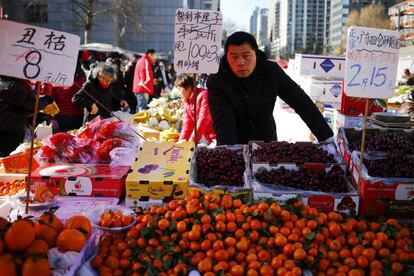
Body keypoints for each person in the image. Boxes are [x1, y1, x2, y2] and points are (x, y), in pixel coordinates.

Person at [207, 31, 333, 145]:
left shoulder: (270, 71)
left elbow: (301, 101)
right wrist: (228, 154)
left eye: (246, 56)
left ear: (255, 53)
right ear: (226, 56)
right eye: (234, 57)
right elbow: (223, 121)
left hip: (267, 144)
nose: (240, 62)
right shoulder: (217, 79)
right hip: (235, 144)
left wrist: (326, 137)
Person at [0, 76, 54, 156]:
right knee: (10, 158)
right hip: (11, 129)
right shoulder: (12, 86)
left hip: (6, 126)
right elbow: (31, 104)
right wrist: (46, 99)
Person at [43, 61, 86, 132]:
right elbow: (51, 100)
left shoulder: (79, 78)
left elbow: (83, 97)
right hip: (61, 118)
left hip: (77, 117)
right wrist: (52, 119)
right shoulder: (54, 80)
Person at [175, 74, 216, 144]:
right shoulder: (187, 101)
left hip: (218, 135)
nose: (179, 93)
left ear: (188, 88)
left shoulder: (204, 95)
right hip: (209, 138)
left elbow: (203, 121)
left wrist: (191, 142)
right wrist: (181, 144)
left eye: (180, 89)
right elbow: (187, 126)